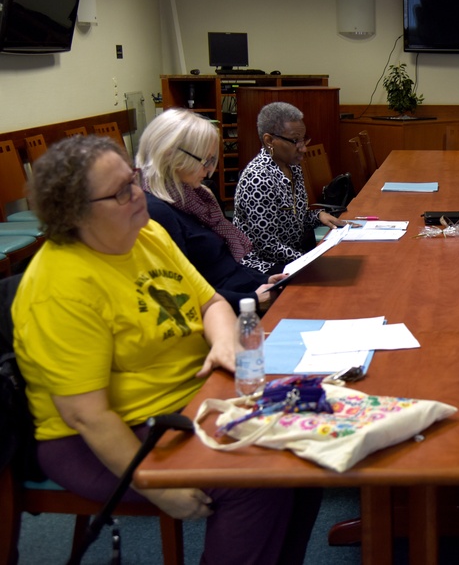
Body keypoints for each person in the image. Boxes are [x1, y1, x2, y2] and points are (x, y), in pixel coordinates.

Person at [12, 135, 318, 564]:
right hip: (104, 436)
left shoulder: (146, 232)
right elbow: (87, 415)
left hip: (190, 401)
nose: (139, 194)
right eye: (121, 192)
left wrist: (226, 344)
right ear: (75, 214)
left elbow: (210, 302)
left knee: (305, 452)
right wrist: (155, 482)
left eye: (133, 180)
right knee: (255, 479)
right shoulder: (60, 287)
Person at [137, 108, 285, 312]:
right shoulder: (157, 211)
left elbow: (224, 264)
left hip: (245, 292)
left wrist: (265, 279)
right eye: (205, 161)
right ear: (171, 155)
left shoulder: (193, 195)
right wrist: (251, 300)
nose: (209, 170)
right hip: (229, 309)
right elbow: (183, 289)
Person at [233, 101, 343, 274]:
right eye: (295, 141)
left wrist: (318, 215)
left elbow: (293, 220)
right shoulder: (258, 178)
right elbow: (267, 247)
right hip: (263, 268)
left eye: (304, 139)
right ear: (269, 140)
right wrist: (310, 260)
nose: (304, 148)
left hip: (292, 257)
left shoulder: (292, 167)